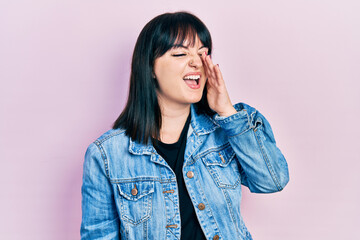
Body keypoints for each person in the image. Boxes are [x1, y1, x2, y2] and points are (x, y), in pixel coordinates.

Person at [81, 11, 289, 240]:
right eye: (180, 53)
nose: (196, 62)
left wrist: (227, 111)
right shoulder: (106, 154)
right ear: (150, 68)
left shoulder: (228, 129)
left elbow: (273, 180)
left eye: (203, 53)